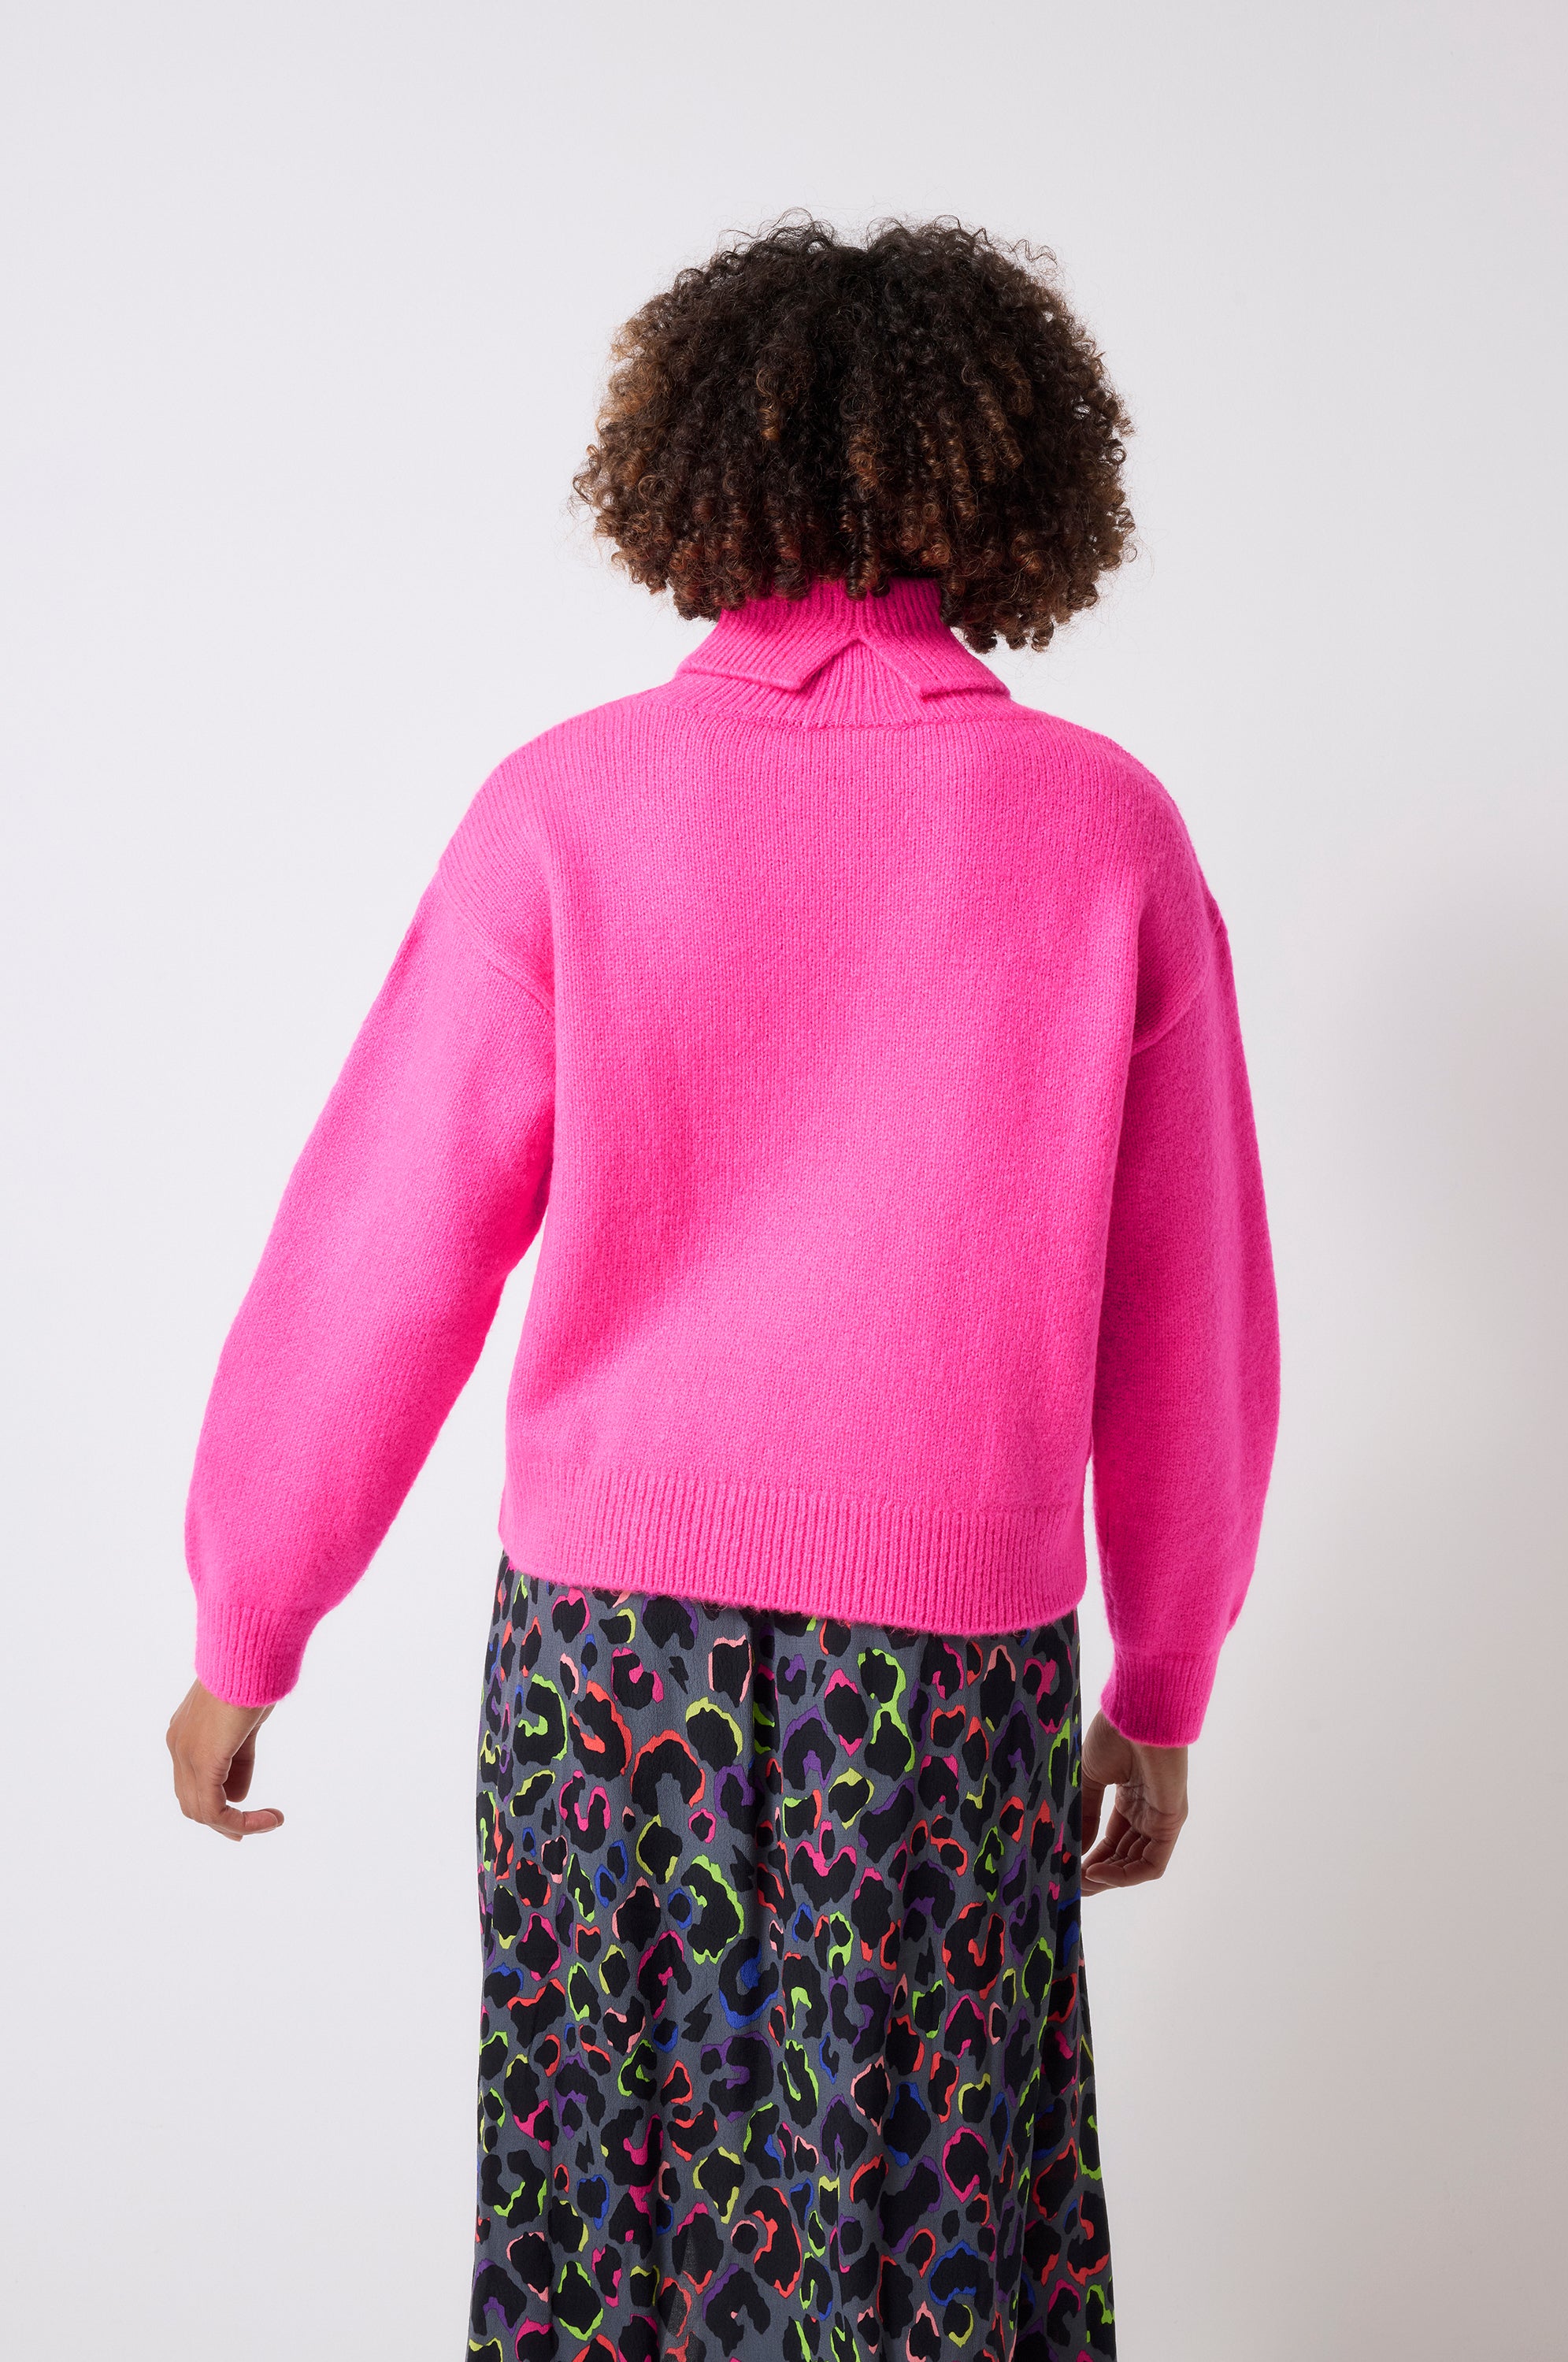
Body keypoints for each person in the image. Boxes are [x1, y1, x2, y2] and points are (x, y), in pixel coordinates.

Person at [167, 215, 1279, 2362]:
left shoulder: (567, 809)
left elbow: (382, 1247)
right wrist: (1160, 1686)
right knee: (913, 2242)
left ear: (693, 471)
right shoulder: (1102, 830)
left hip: (607, 1673)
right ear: (1011, 477)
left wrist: (248, 1619)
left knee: (610, 2226)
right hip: (945, 1684)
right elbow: (1191, 1318)